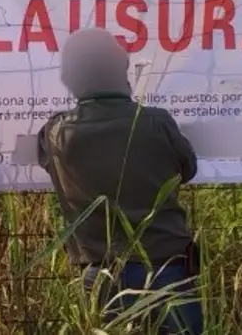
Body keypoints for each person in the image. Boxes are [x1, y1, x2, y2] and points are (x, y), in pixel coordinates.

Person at [37, 27, 203, 334]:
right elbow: (187, 168)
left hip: (100, 274)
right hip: (168, 267)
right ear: (122, 67)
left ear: (69, 78)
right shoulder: (156, 122)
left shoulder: (56, 132)